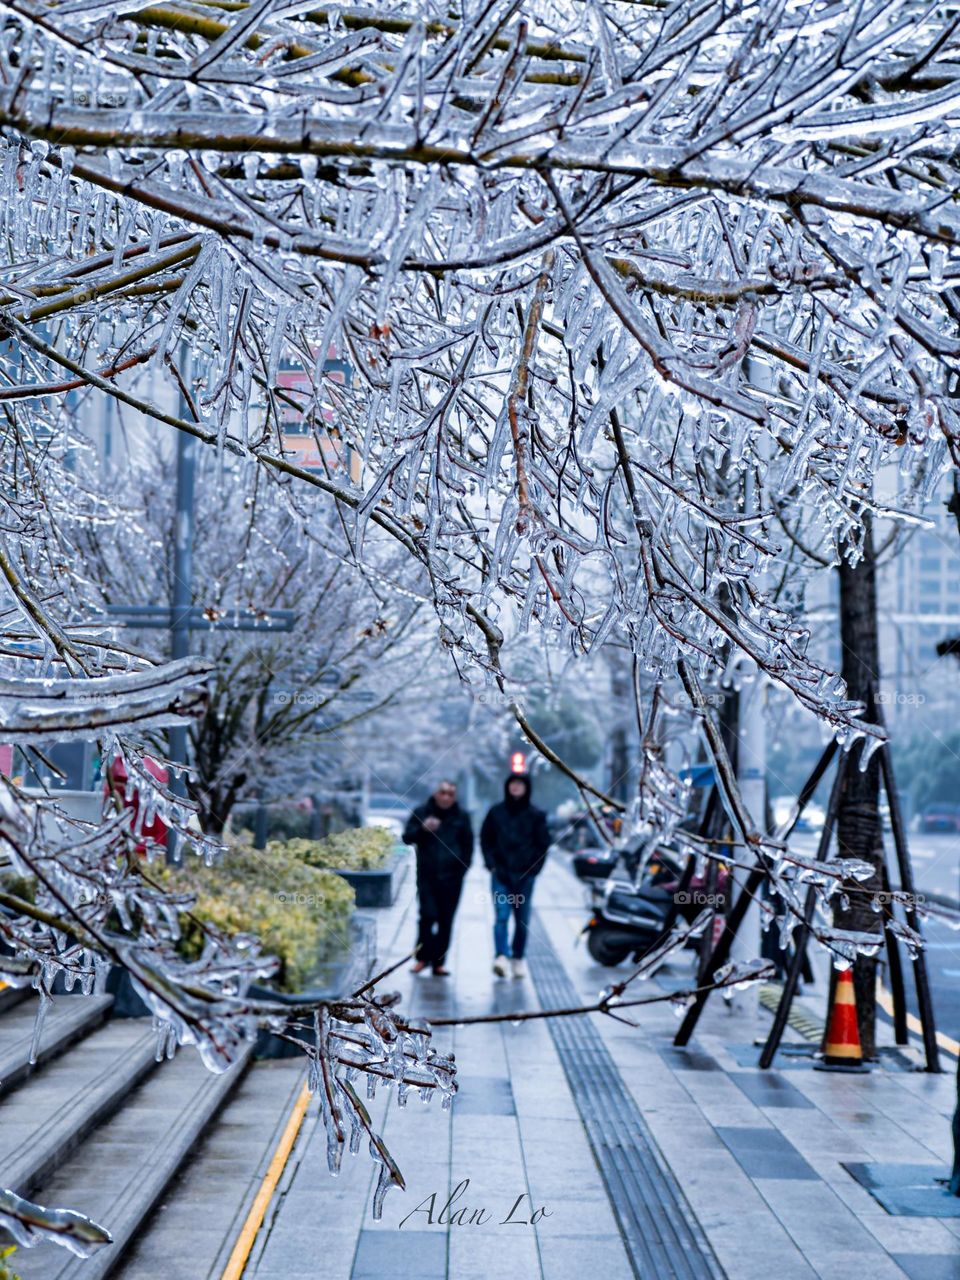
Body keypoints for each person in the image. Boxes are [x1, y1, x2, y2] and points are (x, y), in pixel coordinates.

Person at [480, 772, 550, 979]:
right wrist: (491, 865)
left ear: (527, 787)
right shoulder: (496, 812)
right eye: (513, 784)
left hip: (525, 876)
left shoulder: (536, 815)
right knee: (501, 916)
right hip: (501, 874)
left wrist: (533, 870)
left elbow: (543, 845)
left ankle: (518, 958)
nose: (516, 788)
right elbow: (486, 840)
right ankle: (501, 955)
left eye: (520, 784)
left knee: (522, 919)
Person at [402, 780, 473, 976]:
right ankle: (422, 958)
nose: (446, 797)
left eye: (451, 794)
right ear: (435, 793)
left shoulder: (462, 816)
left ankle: (439, 962)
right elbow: (407, 837)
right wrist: (423, 829)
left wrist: (461, 870)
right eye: (443, 792)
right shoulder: (422, 812)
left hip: (452, 878)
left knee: (446, 920)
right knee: (427, 916)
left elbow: (468, 846)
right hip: (427, 875)